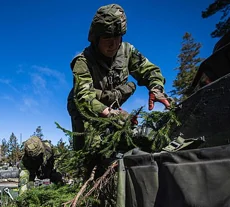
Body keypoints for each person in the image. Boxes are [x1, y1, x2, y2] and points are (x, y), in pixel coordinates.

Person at [67, 3, 171, 151]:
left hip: (110, 102)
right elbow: (85, 98)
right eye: (107, 38)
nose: (114, 44)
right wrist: (114, 116)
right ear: (96, 38)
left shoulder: (127, 50)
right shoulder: (82, 61)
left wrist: (156, 88)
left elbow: (149, 70)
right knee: (91, 148)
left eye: (118, 37)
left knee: (118, 140)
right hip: (84, 108)